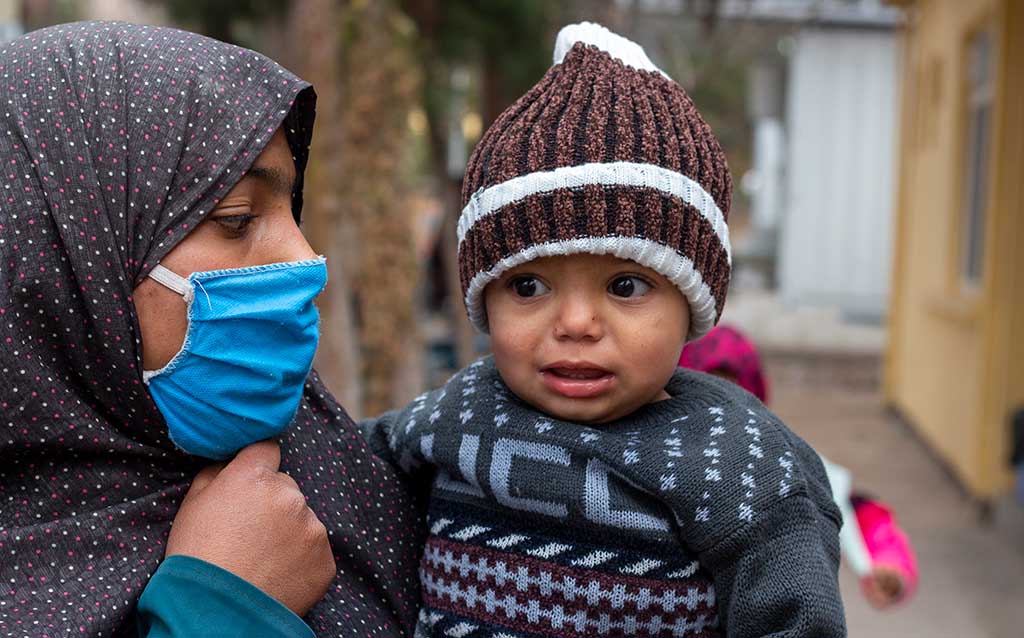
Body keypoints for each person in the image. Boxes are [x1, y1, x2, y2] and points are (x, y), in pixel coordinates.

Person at [361, 23, 846, 638]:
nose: (575, 324)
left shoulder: (737, 461)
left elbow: (797, 619)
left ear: (693, 302)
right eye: (528, 286)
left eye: (624, 287)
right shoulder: (458, 410)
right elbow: (345, 468)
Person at [0, 21, 424, 637]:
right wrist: (222, 609)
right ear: (65, 260)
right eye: (236, 218)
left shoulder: (343, 467)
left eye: (291, 210)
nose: (306, 258)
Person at [679, 325, 919, 609]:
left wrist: (885, 563)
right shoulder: (654, 458)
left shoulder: (775, 455)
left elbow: (850, 505)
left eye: (733, 391)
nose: (719, 411)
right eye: (706, 391)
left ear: (754, 396)